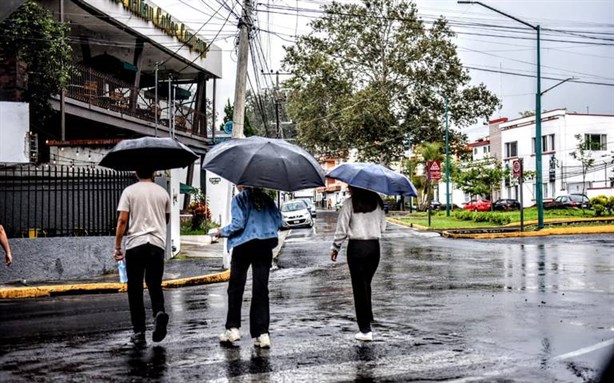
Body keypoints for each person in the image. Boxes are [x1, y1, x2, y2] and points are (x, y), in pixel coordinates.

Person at [215, 186, 282, 348]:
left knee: (236, 287)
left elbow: (238, 224)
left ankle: (233, 328)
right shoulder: (267, 199)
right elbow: (279, 221)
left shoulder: (239, 199)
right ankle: (262, 333)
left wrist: (220, 231)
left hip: (243, 245)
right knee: (261, 289)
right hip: (264, 246)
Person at [114, 168, 171, 347]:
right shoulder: (163, 193)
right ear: (153, 172)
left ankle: (139, 332)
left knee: (135, 288)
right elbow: (166, 218)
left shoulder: (129, 192)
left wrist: (117, 246)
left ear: (137, 173)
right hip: (156, 245)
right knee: (154, 283)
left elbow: (122, 220)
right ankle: (159, 312)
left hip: (135, 245)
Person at [329, 186, 386, 342]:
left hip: (357, 248)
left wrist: (335, 247)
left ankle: (365, 330)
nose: (348, 188)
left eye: (349, 186)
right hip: (374, 247)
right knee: (366, 283)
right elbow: (383, 227)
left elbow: (342, 228)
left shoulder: (349, 203)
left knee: (359, 287)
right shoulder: (378, 202)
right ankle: (368, 316)